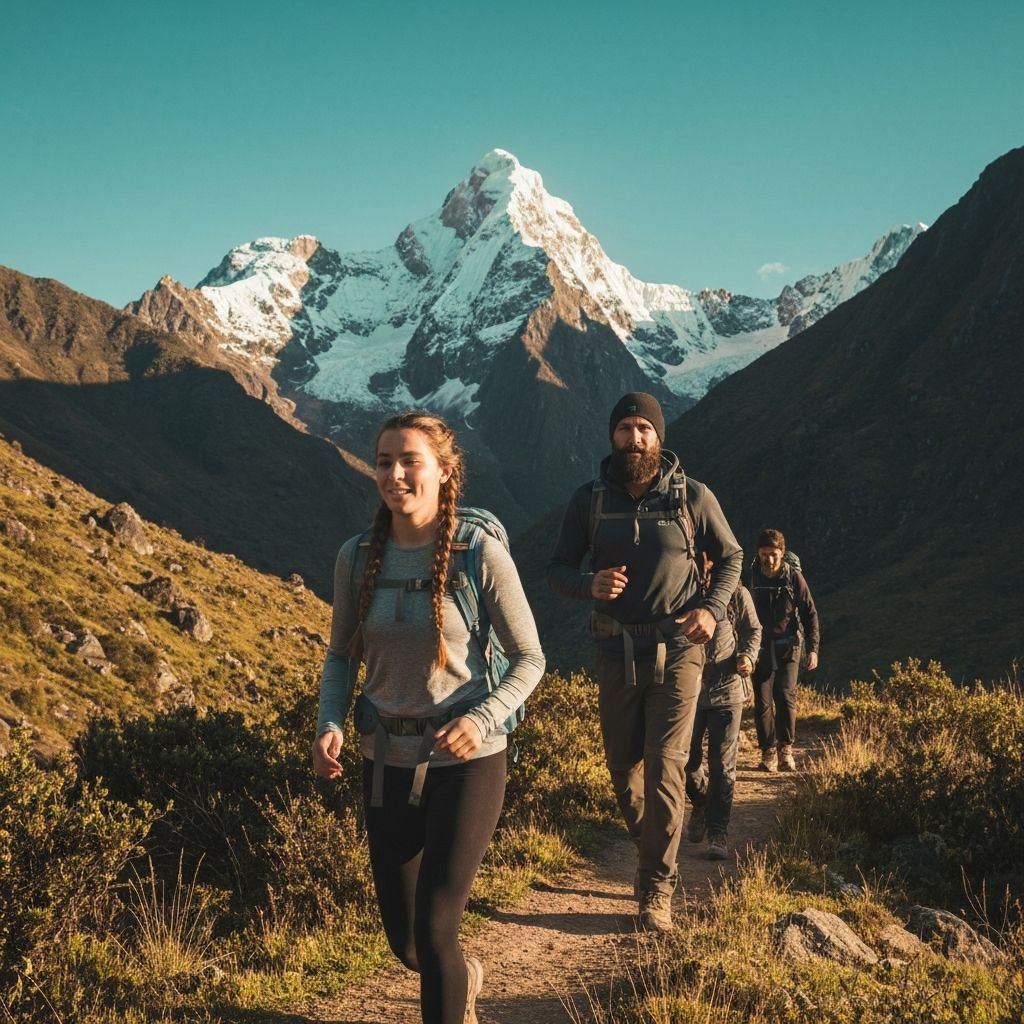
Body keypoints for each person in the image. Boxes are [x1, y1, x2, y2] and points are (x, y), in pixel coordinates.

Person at [312, 411, 545, 1024]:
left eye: (410, 460)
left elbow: (530, 659)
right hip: (386, 758)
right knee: (409, 943)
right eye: (384, 461)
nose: (394, 474)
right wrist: (329, 724)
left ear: (444, 472)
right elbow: (340, 656)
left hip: (468, 762)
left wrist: (484, 719)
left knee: (439, 924)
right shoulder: (357, 557)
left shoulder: (478, 554)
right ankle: (463, 979)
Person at [547, 392, 742, 932]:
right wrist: (589, 584)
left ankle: (657, 888)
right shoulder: (588, 501)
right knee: (622, 767)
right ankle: (654, 841)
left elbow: (731, 557)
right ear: (612, 436)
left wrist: (711, 608)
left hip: (680, 648)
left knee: (665, 763)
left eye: (645, 430)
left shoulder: (692, 497)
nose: (635, 438)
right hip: (614, 646)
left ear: (659, 437)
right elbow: (558, 568)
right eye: (626, 429)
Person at [684, 558, 761, 861]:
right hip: (687, 690)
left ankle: (718, 832)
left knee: (722, 764)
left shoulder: (736, 593)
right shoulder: (682, 588)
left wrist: (747, 657)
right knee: (685, 759)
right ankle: (701, 801)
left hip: (727, 689)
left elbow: (753, 629)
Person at [749, 528, 820, 772]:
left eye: (774, 555)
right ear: (758, 554)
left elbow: (810, 612)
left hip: (789, 644)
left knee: (786, 695)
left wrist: (813, 649)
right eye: (764, 554)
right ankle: (768, 752)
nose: (769, 560)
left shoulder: (793, 578)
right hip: (758, 646)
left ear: (782, 553)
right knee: (763, 701)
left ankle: (785, 750)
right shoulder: (752, 575)